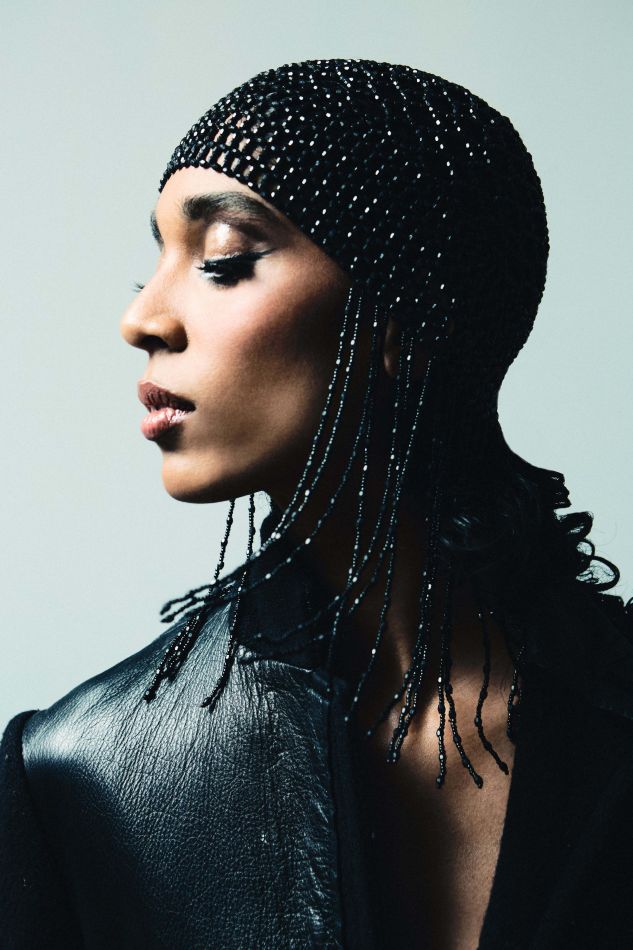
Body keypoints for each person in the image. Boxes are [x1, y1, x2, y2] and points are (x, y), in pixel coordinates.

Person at [2, 58, 632, 950]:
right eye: (155, 261)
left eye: (223, 260)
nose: (142, 318)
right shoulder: (79, 773)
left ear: (406, 312)